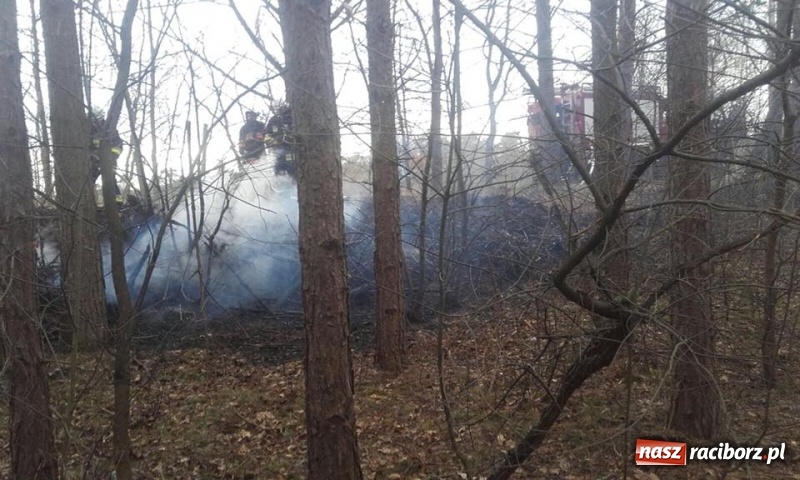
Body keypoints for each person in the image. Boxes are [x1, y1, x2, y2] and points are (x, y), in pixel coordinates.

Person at [89, 112, 124, 206]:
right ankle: (90, 204)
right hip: (93, 162)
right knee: (89, 181)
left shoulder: (109, 128)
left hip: (108, 161)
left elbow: (118, 145)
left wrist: (110, 157)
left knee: (110, 182)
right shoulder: (88, 128)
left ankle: (118, 205)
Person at [265, 103, 294, 178]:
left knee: (290, 164)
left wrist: (289, 137)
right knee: (278, 166)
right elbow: (268, 135)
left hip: (291, 149)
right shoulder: (273, 120)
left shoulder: (292, 116)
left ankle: (294, 182)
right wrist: (273, 141)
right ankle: (280, 181)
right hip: (278, 150)